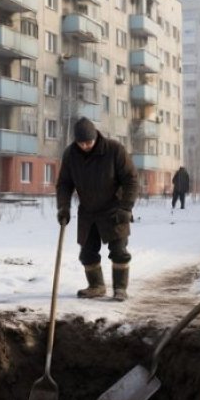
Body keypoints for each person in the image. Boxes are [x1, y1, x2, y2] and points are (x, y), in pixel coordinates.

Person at [56, 117, 139, 301]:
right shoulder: (71, 155)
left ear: (95, 137)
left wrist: (126, 207)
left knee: (118, 251)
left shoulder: (114, 150)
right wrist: (63, 207)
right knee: (87, 253)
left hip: (114, 210)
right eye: (81, 143)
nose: (85, 146)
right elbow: (64, 184)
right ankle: (96, 286)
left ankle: (120, 288)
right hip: (88, 212)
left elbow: (131, 179)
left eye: (89, 142)